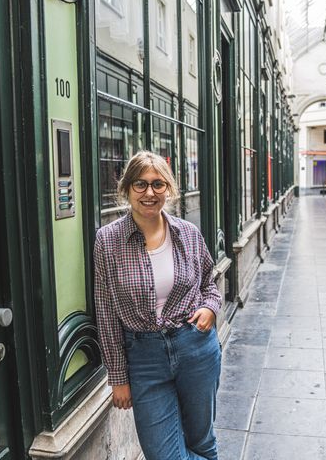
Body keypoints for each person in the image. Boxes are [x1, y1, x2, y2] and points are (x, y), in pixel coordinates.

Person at [94, 151, 222, 460]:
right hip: (144, 358)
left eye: (158, 184)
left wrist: (210, 309)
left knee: (202, 442)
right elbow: (106, 312)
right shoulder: (108, 240)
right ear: (126, 189)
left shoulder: (187, 234)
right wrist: (118, 377)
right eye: (140, 184)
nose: (149, 193)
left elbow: (210, 283)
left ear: (169, 189)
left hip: (195, 347)